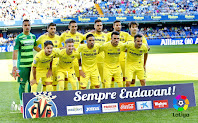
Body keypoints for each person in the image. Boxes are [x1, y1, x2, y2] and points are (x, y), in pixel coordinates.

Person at [12, 19, 41, 113]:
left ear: (30, 26)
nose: (27, 26)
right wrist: (14, 66)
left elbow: (36, 48)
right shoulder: (19, 38)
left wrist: (45, 52)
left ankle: (29, 101)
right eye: (25, 25)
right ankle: (22, 103)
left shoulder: (33, 36)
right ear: (22, 26)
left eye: (29, 25)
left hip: (31, 65)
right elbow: (15, 52)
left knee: (31, 84)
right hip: (22, 66)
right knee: (22, 84)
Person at [36, 22, 62, 91]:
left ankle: (54, 99)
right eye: (51, 29)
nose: (53, 30)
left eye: (54, 29)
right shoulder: (42, 37)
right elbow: (34, 45)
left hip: (56, 64)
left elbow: (60, 49)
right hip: (45, 64)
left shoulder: (59, 38)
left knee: (54, 83)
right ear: (47, 29)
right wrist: (42, 52)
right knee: (45, 83)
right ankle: (43, 99)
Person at [60, 20, 85, 89]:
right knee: (66, 77)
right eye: (72, 26)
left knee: (79, 77)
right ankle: (65, 92)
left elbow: (83, 46)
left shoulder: (80, 36)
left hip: (76, 60)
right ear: (69, 27)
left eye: (75, 26)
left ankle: (79, 91)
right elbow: (58, 43)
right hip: (66, 60)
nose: (74, 28)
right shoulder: (64, 34)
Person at [106, 20, 130, 87]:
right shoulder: (108, 35)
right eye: (116, 25)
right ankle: (111, 92)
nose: (118, 26)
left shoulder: (126, 35)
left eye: (119, 25)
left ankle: (124, 91)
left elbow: (128, 46)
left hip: (123, 59)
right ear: (113, 26)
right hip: (112, 60)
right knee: (111, 78)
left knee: (124, 77)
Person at [85, 19, 107, 88]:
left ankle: (104, 94)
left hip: (103, 61)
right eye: (98, 25)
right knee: (93, 82)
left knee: (104, 80)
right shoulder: (90, 35)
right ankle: (92, 96)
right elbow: (79, 37)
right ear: (94, 26)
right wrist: (68, 32)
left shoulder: (106, 36)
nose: (99, 27)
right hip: (92, 62)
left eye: (100, 25)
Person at [128, 22, 150, 86]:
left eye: (136, 27)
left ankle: (144, 94)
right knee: (132, 81)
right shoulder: (127, 37)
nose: (135, 28)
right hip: (130, 63)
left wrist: (144, 64)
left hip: (139, 63)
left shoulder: (141, 37)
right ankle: (131, 94)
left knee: (143, 81)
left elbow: (146, 49)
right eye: (133, 27)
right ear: (130, 28)